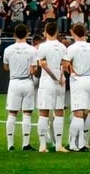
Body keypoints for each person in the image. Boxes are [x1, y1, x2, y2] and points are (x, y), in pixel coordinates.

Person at [65, 22, 90, 152]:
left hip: (78, 81)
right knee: (85, 113)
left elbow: (65, 64)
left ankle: (73, 144)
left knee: (77, 113)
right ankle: (81, 143)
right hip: (89, 80)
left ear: (73, 33)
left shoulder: (72, 48)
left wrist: (71, 71)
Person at [2, 24, 38, 152]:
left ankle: (10, 144)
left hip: (14, 82)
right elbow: (34, 69)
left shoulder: (8, 49)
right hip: (27, 82)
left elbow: (5, 67)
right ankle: (25, 144)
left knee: (12, 113)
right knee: (27, 113)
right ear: (27, 34)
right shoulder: (33, 50)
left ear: (14, 34)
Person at [36, 22, 70, 153]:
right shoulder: (62, 47)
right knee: (59, 112)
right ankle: (59, 145)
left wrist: (55, 78)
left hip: (47, 82)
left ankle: (43, 145)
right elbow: (65, 65)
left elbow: (43, 64)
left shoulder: (42, 46)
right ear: (57, 31)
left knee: (44, 113)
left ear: (45, 32)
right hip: (60, 83)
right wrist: (60, 77)